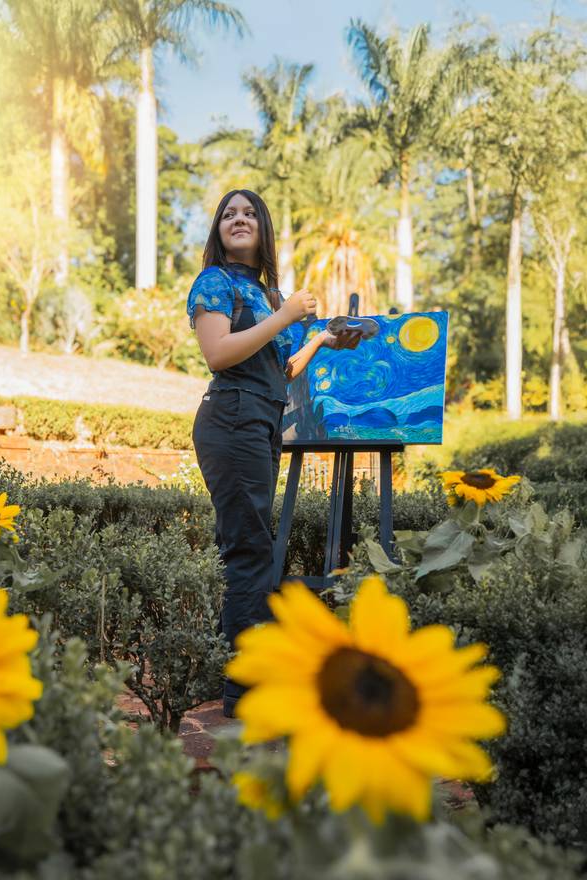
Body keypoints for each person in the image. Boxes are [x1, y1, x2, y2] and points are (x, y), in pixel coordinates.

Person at [187, 188, 359, 717]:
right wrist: (286, 317)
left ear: (263, 228)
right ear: (219, 231)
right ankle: (243, 691)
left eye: (248, 213)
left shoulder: (262, 293)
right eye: (228, 214)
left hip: (260, 420)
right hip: (232, 415)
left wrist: (318, 341)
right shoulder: (214, 283)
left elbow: (278, 369)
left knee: (245, 544)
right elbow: (218, 353)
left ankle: (233, 671)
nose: (238, 219)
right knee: (251, 551)